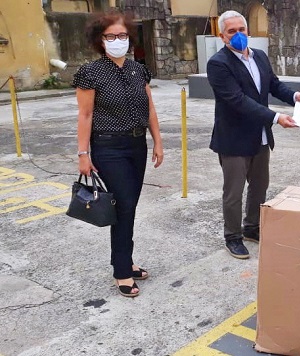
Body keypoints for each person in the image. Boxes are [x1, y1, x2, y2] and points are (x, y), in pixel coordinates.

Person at [207, 10, 300, 259]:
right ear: (222, 36)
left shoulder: (260, 57)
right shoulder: (218, 64)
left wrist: (294, 96)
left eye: (241, 30)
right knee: (233, 192)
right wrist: (276, 117)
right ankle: (232, 237)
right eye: (231, 31)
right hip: (233, 139)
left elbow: (274, 85)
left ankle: (252, 228)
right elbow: (237, 100)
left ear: (248, 31)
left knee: (259, 186)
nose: (238, 35)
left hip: (260, 136)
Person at [74, 10, 163, 298]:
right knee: (123, 205)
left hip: (137, 146)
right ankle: (122, 271)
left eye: (122, 35)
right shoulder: (90, 73)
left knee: (130, 206)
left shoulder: (139, 70)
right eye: (110, 36)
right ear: (100, 40)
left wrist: (158, 142)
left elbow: (149, 109)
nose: (117, 40)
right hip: (108, 147)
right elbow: (85, 115)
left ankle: (124, 260)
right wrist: (83, 154)